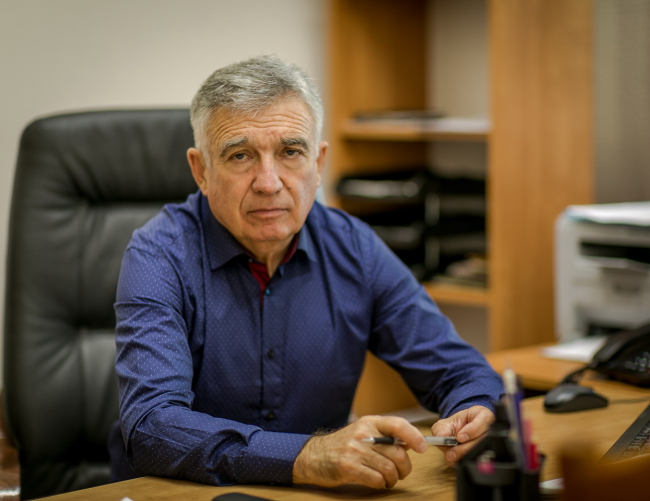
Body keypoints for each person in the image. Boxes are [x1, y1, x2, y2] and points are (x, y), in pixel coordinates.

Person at [109, 55, 503, 489]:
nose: (269, 182)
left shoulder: (355, 248)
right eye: (240, 155)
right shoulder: (157, 255)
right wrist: (307, 455)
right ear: (201, 171)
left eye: (290, 152)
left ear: (319, 163)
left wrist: (476, 408)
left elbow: (457, 369)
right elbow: (151, 427)